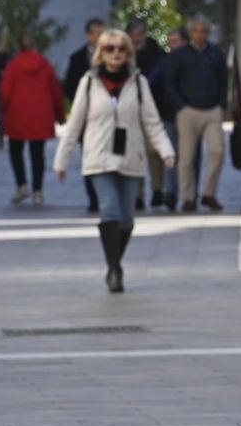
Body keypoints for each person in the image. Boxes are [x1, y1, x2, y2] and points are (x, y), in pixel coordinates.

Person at [55, 29, 175, 292]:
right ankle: (113, 268)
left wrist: (166, 151)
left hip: (130, 156)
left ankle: (115, 261)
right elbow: (74, 125)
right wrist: (61, 160)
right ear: (101, 52)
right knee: (109, 209)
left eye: (121, 48)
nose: (116, 53)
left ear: (129, 52)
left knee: (128, 220)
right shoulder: (88, 82)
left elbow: (152, 123)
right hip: (98, 157)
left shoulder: (139, 83)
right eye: (110, 48)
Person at [167, 18, 229, 212]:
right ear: (190, 33)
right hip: (188, 110)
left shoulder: (216, 53)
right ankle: (188, 197)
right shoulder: (180, 55)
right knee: (186, 158)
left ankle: (208, 193)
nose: (200, 35)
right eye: (196, 31)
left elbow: (223, 80)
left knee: (217, 151)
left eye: (203, 31)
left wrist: (221, 103)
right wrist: (180, 105)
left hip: (211, 109)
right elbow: (171, 82)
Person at [0, 33, 64, 205]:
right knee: (37, 154)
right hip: (40, 115)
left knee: (16, 151)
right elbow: (56, 93)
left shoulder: (13, 66)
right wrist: (60, 115)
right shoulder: (45, 65)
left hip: (17, 114)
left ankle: (22, 185)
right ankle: (38, 191)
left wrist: (3, 112)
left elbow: (5, 93)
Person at [63, 18, 106, 213]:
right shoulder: (77, 58)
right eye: (96, 33)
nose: (100, 37)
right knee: (89, 159)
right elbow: (69, 87)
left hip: (110, 118)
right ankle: (94, 197)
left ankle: (108, 196)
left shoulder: (115, 55)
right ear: (89, 35)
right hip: (86, 118)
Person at [144, 27, 185, 210]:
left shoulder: (190, 58)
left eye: (176, 40)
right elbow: (150, 82)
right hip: (168, 113)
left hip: (189, 111)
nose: (173, 45)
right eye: (170, 41)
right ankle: (171, 192)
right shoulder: (164, 61)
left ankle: (184, 193)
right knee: (171, 153)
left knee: (189, 157)